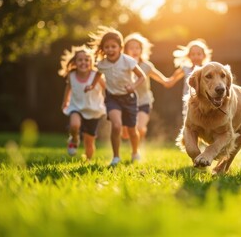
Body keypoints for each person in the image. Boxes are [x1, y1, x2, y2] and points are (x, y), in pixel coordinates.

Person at [85, 26, 147, 166]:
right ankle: (116, 157)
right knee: (117, 125)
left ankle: (135, 152)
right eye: (107, 47)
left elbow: (141, 77)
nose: (110, 50)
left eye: (113, 46)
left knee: (132, 130)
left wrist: (133, 86)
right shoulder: (102, 64)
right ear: (103, 49)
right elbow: (98, 73)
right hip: (112, 98)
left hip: (129, 98)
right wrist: (92, 85)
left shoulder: (128, 61)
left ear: (120, 47)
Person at [120, 33, 174, 141]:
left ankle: (139, 144)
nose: (135, 50)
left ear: (141, 50)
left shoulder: (146, 65)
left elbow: (162, 78)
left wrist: (168, 81)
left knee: (139, 127)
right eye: (131, 48)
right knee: (125, 135)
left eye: (137, 48)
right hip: (126, 102)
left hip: (144, 101)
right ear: (125, 50)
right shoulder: (122, 65)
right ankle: (137, 135)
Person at [59, 45, 105, 161]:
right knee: (74, 125)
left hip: (93, 110)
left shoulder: (96, 75)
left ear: (91, 62)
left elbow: (107, 88)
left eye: (86, 60)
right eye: (80, 60)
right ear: (75, 62)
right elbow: (69, 87)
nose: (83, 62)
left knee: (89, 142)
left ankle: (87, 160)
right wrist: (65, 101)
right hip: (76, 107)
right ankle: (74, 139)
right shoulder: (72, 75)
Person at [169, 39, 213, 116]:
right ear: (189, 56)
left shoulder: (208, 70)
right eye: (193, 54)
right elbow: (170, 81)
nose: (196, 56)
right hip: (189, 102)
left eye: (199, 54)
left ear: (204, 56)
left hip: (205, 102)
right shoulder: (185, 69)